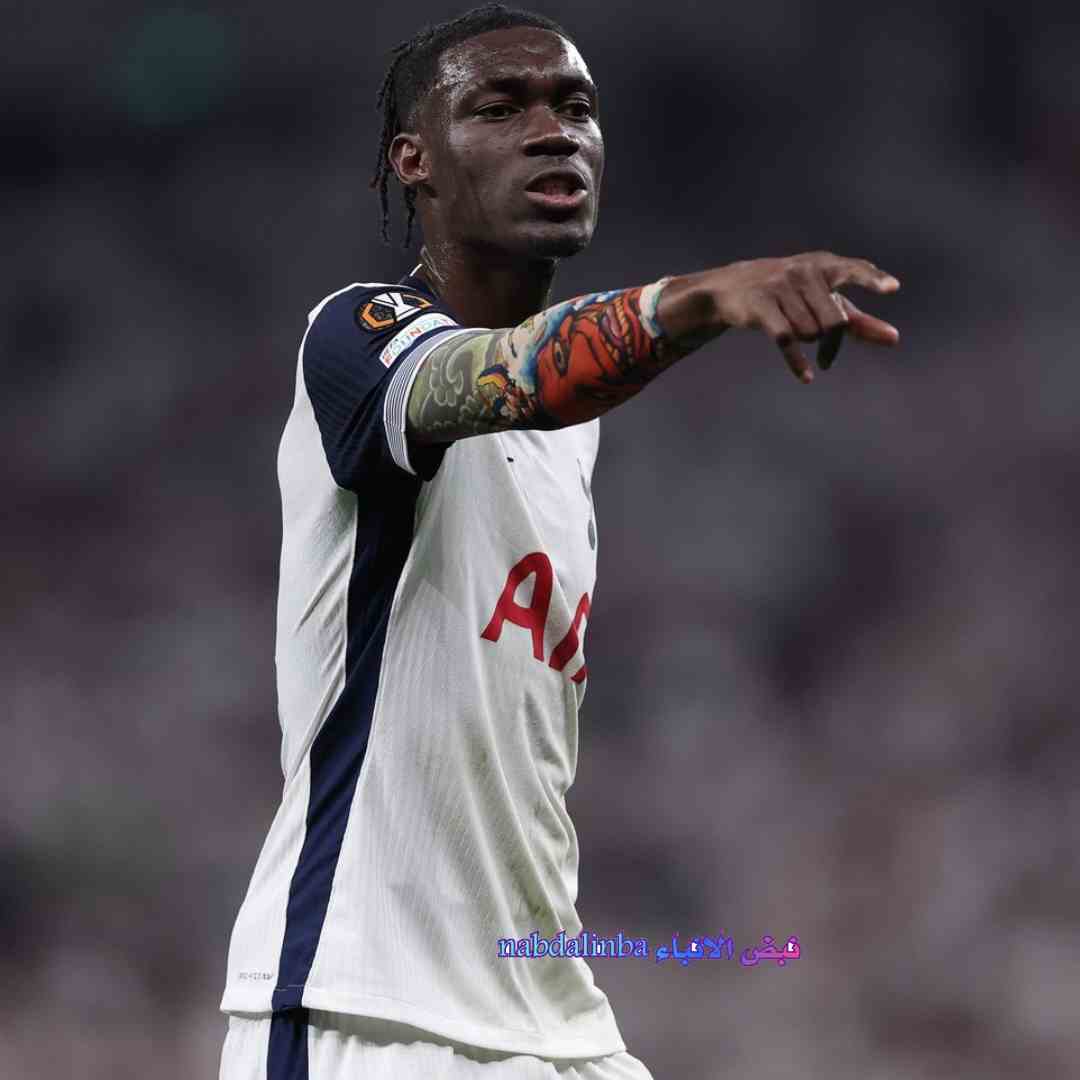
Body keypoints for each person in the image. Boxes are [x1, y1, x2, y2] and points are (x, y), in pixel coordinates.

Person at [217, 4, 901, 1077]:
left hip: (547, 1013)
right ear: (413, 160)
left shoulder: (575, 437)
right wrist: (699, 298)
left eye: (576, 107)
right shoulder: (352, 338)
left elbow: (550, 388)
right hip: (369, 1009)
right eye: (500, 107)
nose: (553, 131)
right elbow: (505, 378)